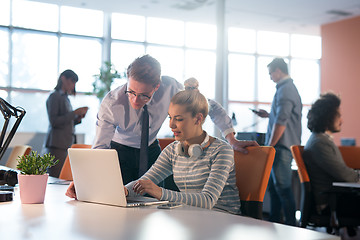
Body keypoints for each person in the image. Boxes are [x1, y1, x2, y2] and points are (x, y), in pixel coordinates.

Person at [67, 80, 241, 214]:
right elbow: (143, 183)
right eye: (169, 118)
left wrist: (159, 192)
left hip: (223, 219)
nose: (171, 125)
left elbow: (208, 200)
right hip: (193, 217)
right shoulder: (173, 150)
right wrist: (104, 189)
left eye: (178, 119)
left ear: (198, 119)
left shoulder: (222, 151)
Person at [92, 54, 257, 185]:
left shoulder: (170, 88)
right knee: (118, 201)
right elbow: (100, 148)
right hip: (119, 151)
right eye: (131, 92)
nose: (135, 100)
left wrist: (231, 139)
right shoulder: (112, 103)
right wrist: (88, 181)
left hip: (150, 149)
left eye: (144, 95)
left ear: (156, 86)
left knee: (153, 202)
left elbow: (208, 106)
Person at [253, 58, 302, 226]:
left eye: (270, 73)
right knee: (274, 189)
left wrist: (270, 146)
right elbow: (281, 116)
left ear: (278, 71)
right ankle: (274, 223)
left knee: (283, 188)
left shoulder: (286, 90)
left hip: (281, 147)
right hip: (281, 147)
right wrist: (268, 115)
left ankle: (290, 225)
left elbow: (282, 121)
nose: (270, 77)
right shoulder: (286, 89)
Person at [303, 93, 360, 219]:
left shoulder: (321, 140)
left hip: (337, 198)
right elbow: (346, 176)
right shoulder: (319, 143)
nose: (342, 121)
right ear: (327, 117)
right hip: (331, 203)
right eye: (339, 116)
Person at [44, 69, 88, 178]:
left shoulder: (65, 98)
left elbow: (65, 121)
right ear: (63, 78)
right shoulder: (54, 96)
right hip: (57, 145)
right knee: (55, 177)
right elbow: (54, 121)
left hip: (64, 143)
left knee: (62, 177)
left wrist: (77, 118)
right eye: (72, 81)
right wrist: (74, 113)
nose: (73, 85)